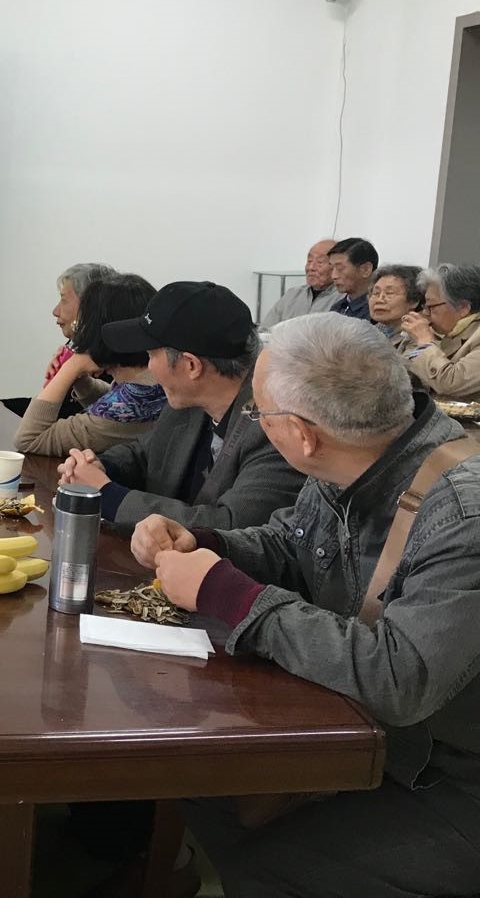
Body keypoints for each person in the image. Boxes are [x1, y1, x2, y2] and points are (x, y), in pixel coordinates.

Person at [131, 313, 480, 897]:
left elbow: (401, 679)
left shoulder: (462, 516)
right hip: (373, 736)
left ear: (301, 433)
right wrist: (207, 545)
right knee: (196, 779)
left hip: (449, 774)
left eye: (259, 415)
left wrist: (225, 591)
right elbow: (292, 543)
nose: (257, 425)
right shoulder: (357, 455)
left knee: (273, 869)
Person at [57, 281, 304, 529]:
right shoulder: (189, 403)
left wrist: (108, 494)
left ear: (191, 365)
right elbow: (144, 455)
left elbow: (230, 525)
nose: (149, 367)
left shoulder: (274, 426)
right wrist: (99, 466)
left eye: (151, 355)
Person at [13, 274, 167, 456]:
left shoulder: (124, 410)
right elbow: (111, 397)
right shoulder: (152, 382)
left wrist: (71, 368)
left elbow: (29, 439)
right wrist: (81, 380)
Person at [0, 262, 117, 418]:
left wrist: (68, 371)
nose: (55, 311)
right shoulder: (82, 351)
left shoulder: (110, 368)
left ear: (90, 307)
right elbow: (52, 411)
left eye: (64, 300)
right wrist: (0, 406)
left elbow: (52, 421)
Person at [400, 262, 480, 402]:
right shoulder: (448, 333)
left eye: (431, 306)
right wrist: (413, 342)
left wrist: (425, 343)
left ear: (463, 307)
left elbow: (452, 384)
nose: (426, 313)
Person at [258, 237, 337, 328]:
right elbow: (265, 329)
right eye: (309, 261)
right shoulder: (292, 294)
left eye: (320, 262)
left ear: (336, 266)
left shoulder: (342, 299)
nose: (311, 267)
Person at [366, 263, 425, 347]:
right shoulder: (368, 333)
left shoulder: (421, 338)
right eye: (376, 293)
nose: (379, 300)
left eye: (389, 293)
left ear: (413, 301)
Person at [327, 236, 378, 319]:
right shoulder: (337, 308)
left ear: (366, 269)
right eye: (331, 268)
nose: (333, 276)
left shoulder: (379, 310)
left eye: (340, 268)